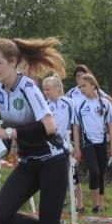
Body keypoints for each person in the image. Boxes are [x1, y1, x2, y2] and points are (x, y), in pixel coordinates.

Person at [0, 37, 85, 224]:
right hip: (29, 162)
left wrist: (9, 134)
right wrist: (2, 143)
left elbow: (48, 127)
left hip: (53, 160)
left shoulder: (28, 86)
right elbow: (16, 126)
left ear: (13, 62)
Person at [72, 72, 112, 214]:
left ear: (93, 85)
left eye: (84, 86)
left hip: (102, 142)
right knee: (94, 171)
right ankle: (95, 204)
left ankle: (101, 204)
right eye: (80, 87)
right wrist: (77, 148)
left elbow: (111, 126)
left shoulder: (105, 103)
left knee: (101, 172)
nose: (82, 89)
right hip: (87, 143)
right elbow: (75, 127)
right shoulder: (79, 104)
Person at [42, 73, 82, 211]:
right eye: (44, 89)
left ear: (57, 88)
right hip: (49, 145)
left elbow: (75, 125)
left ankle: (79, 204)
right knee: (54, 175)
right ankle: (59, 202)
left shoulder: (69, 103)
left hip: (66, 143)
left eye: (48, 89)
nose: (45, 92)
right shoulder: (44, 105)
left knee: (73, 173)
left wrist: (76, 147)